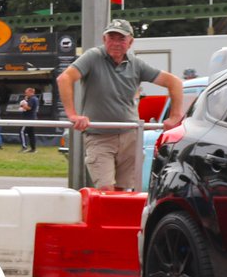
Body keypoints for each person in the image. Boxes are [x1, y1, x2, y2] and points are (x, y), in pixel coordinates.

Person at [56, 18, 184, 191]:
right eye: (111, 37)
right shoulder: (93, 57)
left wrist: (175, 116)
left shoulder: (136, 64)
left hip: (130, 136)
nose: (116, 43)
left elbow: (174, 82)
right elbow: (64, 78)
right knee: (106, 190)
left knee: (124, 192)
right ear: (104, 39)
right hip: (99, 136)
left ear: (130, 42)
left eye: (121, 38)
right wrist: (72, 115)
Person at [18, 87, 40, 152]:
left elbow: (29, 108)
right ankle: (33, 149)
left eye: (26, 93)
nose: (25, 94)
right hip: (32, 118)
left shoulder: (32, 99)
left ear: (31, 92)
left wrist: (22, 104)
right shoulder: (35, 98)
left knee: (21, 131)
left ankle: (24, 147)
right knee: (31, 134)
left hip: (28, 119)